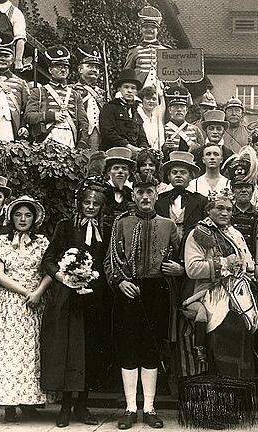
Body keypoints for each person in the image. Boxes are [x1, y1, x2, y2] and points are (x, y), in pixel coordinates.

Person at [105, 173, 182, 430]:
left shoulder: (169, 225)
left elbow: (178, 258)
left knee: (151, 349)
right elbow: (110, 260)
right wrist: (119, 282)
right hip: (129, 289)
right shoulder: (121, 223)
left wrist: (177, 269)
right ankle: (130, 408)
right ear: (133, 195)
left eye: (150, 192)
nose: (145, 197)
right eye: (140, 192)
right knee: (128, 348)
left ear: (157, 195)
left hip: (157, 291)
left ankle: (149, 407)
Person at [0, 195, 52, 422]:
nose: (22, 219)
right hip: (9, 303)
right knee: (8, 352)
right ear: (11, 217)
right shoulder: (1, 241)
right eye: (18, 214)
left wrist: (38, 293)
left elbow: (49, 271)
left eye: (27, 215)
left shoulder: (42, 242)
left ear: (35, 218)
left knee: (31, 352)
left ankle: (29, 401)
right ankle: (8, 404)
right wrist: (26, 292)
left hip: (35, 302)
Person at [180, 189, 257, 429]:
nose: (225, 213)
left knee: (238, 353)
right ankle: (214, 412)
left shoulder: (234, 232)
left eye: (228, 209)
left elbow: (248, 263)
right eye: (219, 208)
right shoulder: (199, 233)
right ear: (208, 210)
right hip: (210, 295)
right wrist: (223, 263)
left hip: (237, 296)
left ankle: (234, 409)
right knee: (216, 353)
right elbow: (192, 269)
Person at [40, 176, 112, 427]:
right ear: (79, 203)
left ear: (102, 207)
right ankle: (64, 407)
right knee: (69, 350)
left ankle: (83, 405)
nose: (91, 207)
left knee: (89, 351)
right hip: (68, 298)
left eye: (96, 203)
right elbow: (48, 258)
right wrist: (62, 276)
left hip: (94, 298)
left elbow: (107, 261)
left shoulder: (106, 229)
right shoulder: (66, 226)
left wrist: (94, 279)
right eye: (87, 202)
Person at [25, 46, 89, 148]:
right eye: (59, 66)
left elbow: (83, 122)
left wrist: (82, 142)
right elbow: (29, 116)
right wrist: (51, 116)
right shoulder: (39, 92)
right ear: (50, 70)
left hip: (70, 138)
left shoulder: (75, 95)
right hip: (47, 138)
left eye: (66, 67)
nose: (63, 70)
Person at [155, 151, 207, 240]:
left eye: (183, 173)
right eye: (174, 172)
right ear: (168, 176)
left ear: (191, 176)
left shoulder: (201, 200)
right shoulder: (159, 199)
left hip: (191, 245)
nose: (178, 175)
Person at [124, 6, 170, 98]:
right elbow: (127, 73)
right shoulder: (135, 50)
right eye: (146, 27)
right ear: (141, 29)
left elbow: (172, 75)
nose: (149, 30)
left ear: (158, 30)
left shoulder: (166, 51)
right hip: (139, 92)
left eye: (153, 27)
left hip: (161, 93)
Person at [99, 69, 148, 152]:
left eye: (133, 88)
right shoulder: (110, 107)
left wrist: (143, 147)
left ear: (136, 92)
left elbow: (142, 137)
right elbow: (108, 132)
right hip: (114, 151)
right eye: (126, 87)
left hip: (134, 153)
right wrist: (129, 146)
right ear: (119, 89)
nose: (129, 91)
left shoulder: (135, 112)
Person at [73, 45, 107, 151]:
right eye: (89, 66)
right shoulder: (72, 90)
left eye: (96, 67)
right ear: (80, 69)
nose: (94, 70)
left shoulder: (102, 93)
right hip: (78, 132)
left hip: (99, 134)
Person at [164, 86, 202, 155]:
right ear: (169, 110)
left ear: (186, 110)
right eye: (175, 106)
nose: (179, 109)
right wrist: (165, 147)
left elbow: (202, 150)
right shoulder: (164, 129)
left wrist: (197, 148)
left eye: (182, 106)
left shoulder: (195, 130)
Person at [103, 147, 135, 218]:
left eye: (124, 168)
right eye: (116, 168)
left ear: (129, 174)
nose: (120, 171)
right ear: (109, 173)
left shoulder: (134, 194)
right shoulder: (102, 190)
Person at [138, 86, 164, 151]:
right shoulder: (137, 116)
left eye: (154, 99)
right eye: (148, 98)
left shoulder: (156, 120)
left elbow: (161, 140)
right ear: (142, 100)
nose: (151, 101)